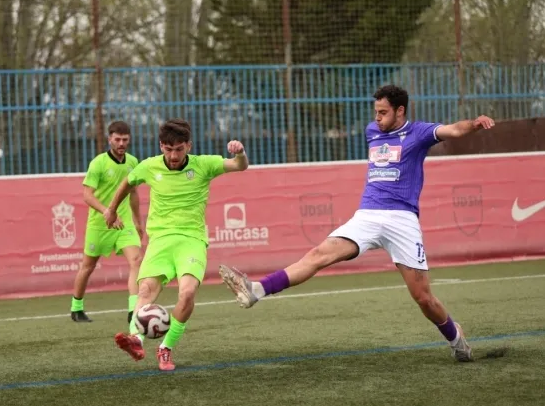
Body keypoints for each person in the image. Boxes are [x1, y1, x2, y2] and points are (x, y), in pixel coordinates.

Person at [219, 84, 496, 362]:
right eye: (376, 111)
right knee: (318, 255)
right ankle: (257, 290)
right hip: (367, 215)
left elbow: (454, 130)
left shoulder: (419, 132)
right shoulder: (372, 131)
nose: (377, 117)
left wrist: (474, 124)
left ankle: (455, 338)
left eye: (383, 112)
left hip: (402, 219)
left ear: (400, 111)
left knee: (423, 298)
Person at [103, 119, 249, 371]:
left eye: (179, 149)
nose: (173, 155)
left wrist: (240, 152)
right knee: (145, 290)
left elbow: (239, 166)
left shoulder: (204, 164)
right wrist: (112, 209)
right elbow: (127, 182)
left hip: (191, 241)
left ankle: (166, 347)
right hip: (160, 241)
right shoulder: (149, 166)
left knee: (187, 293)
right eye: (168, 149)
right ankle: (136, 339)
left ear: (188, 146)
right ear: (161, 146)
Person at [70, 120, 144, 323]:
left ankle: (133, 311)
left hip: (124, 223)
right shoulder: (98, 163)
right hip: (100, 224)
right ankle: (76, 308)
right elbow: (87, 195)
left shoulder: (133, 162)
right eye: (117, 139)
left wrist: (138, 222)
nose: (121, 143)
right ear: (109, 139)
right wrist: (107, 212)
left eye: (125, 140)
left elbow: (134, 193)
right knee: (88, 266)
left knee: (137, 261)